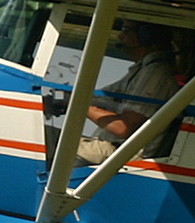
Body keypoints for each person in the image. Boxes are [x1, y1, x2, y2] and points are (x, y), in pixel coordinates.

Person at [76, 21, 179, 164]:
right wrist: (65, 100)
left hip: (122, 154)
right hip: (112, 148)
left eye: (126, 31)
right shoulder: (141, 71)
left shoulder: (155, 74)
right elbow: (99, 97)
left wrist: (78, 105)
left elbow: (124, 127)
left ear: (146, 36)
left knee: (45, 139)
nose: (120, 36)